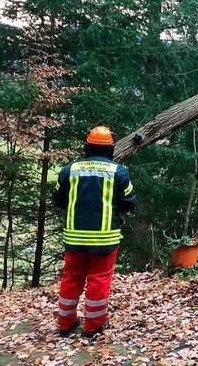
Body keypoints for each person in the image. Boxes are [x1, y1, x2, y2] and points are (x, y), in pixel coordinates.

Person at [52, 126, 137, 337]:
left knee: (71, 278)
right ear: (111, 148)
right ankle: (93, 326)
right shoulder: (118, 172)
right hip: (104, 239)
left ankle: (65, 324)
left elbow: (58, 199)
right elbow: (130, 202)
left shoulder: (69, 170)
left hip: (74, 238)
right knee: (99, 279)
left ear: (86, 146)